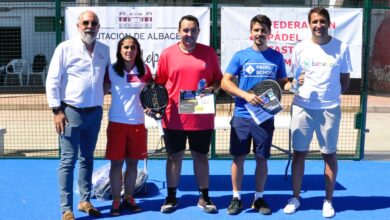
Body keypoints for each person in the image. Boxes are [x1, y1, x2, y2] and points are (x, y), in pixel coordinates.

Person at [283, 7, 351, 218]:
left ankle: (328, 201)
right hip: (302, 107)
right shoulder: (300, 48)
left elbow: (345, 80)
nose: (318, 25)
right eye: (315, 21)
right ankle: (295, 197)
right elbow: (292, 79)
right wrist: (296, 84)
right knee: (299, 155)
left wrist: (329, 97)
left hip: (329, 109)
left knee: (329, 155)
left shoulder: (341, 47)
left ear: (328, 23)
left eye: (322, 21)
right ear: (309, 24)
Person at [221, 14, 291, 215]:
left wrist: (291, 85)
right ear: (251, 33)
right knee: (238, 158)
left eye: (263, 30)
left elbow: (283, 81)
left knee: (262, 159)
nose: (260, 34)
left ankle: (258, 198)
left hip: (265, 117)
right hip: (242, 114)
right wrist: (245, 95)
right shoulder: (240, 56)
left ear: (269, 33)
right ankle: (236, 198)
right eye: (256, 30)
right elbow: (226, 82)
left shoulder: (276, 57)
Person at [45, 10, 110, 220]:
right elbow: (52, 80)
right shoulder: (65, 48)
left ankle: (85, 201)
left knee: (87, 159)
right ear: (78, 26)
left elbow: (107, 79)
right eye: (85, 23)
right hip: (70, 112)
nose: (89, 26)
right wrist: (57, 110)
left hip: (95, 112)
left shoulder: (104, 50)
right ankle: (67, 209)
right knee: (68, 160)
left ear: (98, 27)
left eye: (93, 23)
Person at [154, 15, 223, 214]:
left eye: (193, 30)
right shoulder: (167, 54)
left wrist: (212, 89)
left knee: (201, 157)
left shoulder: (208, 53)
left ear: (199, 32)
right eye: (185, 30)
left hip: (201, 115)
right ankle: (171, 197)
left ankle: (204, 196)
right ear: (179, 32)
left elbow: (217, 80)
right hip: (173, 116)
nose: (189, 34)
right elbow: (159, 84)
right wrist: (155, 105)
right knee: (174, 158)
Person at [104, 36, 152, 216]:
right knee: (116, 165)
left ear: (137, 50)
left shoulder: (144, 69)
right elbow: (100, 91)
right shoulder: (111, 70)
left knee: (133, 165)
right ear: (120, 49)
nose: (129, 50)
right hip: (117, 123)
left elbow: (149, 93)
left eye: (132, 47)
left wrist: (150, 106)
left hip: (138, 124)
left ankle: (129, 197)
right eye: (125, 47)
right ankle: (117, 200)